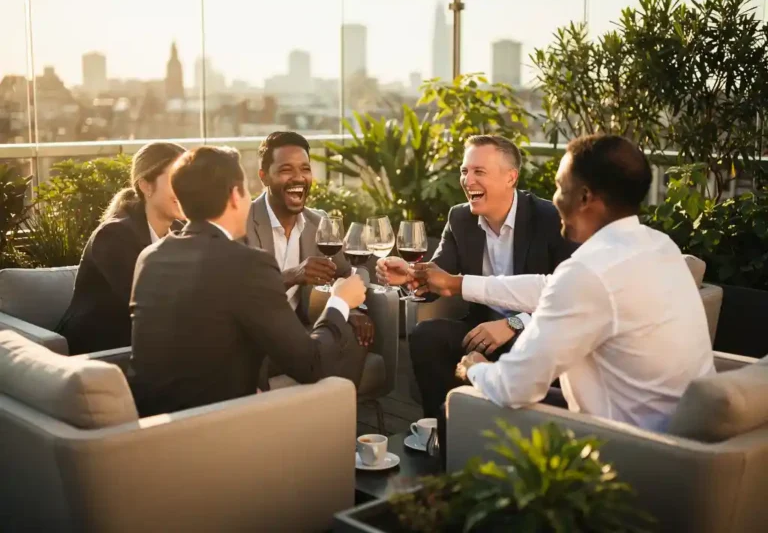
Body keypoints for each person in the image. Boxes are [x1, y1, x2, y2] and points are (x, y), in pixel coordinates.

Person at [412, 134, 715, 432]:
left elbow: (511, 388)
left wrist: (476, 368)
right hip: (676, 432)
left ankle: (447, 451)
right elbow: (549, 286)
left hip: (621, 441)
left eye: (559, 187)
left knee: (471, 399)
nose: (554, 200)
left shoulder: (587, 272)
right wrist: (457, 284)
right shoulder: (659, 246)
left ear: (584, 198)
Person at [130, 145, 368, 417]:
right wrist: (339, 301)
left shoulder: (149, 257)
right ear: (235, 196)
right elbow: (311, 364)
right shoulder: (248, 264)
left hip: (150, 425)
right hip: (219, 425)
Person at [376, 135, 575, 417]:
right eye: (464, 171)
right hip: (480, 329)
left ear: (511, 177)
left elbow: (567, 297)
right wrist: (410, 275)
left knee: (528, 347)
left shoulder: (550, 218)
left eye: (479, 171)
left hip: (536, 333)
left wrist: (516, 323)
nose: (467, 181)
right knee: (426, 336)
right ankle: (441, 427)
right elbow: (439, 275)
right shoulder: (460, 219)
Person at [245, 131, 373, 346]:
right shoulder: (242, 222)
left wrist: (349, 307)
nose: (298, 178)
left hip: (301, 332)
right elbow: (239, 293)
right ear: (264, 176)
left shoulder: (319, 222)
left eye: (305, 169)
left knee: (356, 340)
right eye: (286, 170)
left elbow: (349, 272)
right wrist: (292, 276)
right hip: (255, 335)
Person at [57, 142, 186, 355]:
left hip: (147, 344)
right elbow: (148, 304)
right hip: (100, 350)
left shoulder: (182, 231)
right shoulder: (113, 235)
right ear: (146, 186)